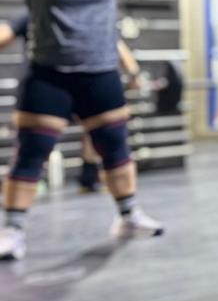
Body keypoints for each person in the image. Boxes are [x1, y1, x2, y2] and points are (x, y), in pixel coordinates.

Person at [0, 0, 163, 262]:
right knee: (31, 153)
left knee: (115, 148)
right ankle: (12, 231)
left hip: (100, 73)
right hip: (49, 76)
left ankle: (128, 215)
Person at [0, 15, 145, 193]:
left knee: (93, 133)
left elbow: (117, 45)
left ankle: (89, 177)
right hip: (55, 85)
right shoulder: (40, 14)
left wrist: (134, 73)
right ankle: (42, 180)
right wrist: (134, 73)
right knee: (39, 141)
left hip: (61, 84)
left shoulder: (81, 15)